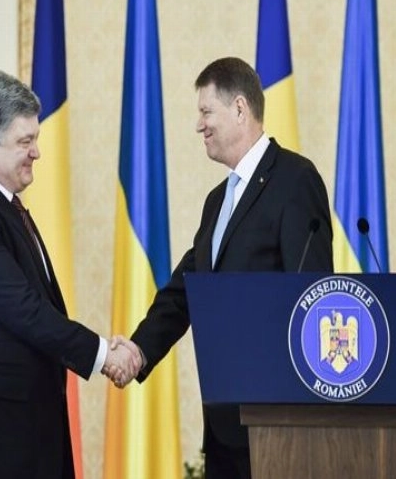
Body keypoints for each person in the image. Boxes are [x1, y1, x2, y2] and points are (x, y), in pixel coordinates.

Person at [109, 57, 333, 479]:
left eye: (206, 111)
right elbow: (185, 291)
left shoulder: (295, 180)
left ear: (240, 109)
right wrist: (137, 351)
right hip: (224, 423)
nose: (199, 125)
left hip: (277, 424)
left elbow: (313, 296)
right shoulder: (218, 200)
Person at [0, 71, 141, 479]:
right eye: (25, 141)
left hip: (24, 435)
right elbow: (25, 309)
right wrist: (102, 354)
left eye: (35, 139)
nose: (37, 152)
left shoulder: (4, 208)